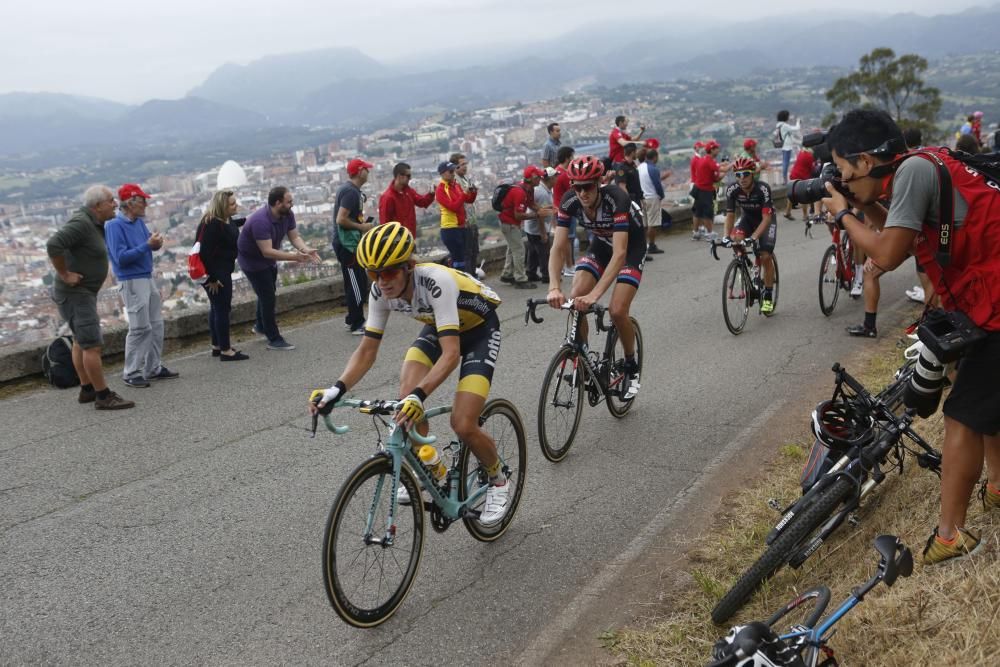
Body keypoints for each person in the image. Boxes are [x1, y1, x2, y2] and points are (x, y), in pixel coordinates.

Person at [820, 108, 1000, 565]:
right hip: (987, 298)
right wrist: (860, 206)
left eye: (843, 171)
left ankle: (949, 538)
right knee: (984, 403)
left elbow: (888, 252)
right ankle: (997, 487)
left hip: (996, 301)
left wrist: (842, 213)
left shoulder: (916, 171)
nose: (843, 180)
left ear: (864, 161)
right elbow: (896, 230)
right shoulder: (919, 166)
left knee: (964, 415)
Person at [309, 222, 512, 524]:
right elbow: (366, 351)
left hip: (479, 332)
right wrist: (336, 390)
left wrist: (421, 395)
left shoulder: (436, 281)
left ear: (409, 266)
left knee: (463, 423)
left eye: (389, 271)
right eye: (373, 273)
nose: (382, 281)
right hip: (440, 326)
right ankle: (434, 468)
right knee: (405, 404)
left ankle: (498, 478)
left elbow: (451, 354)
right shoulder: (380, 291)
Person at [547, 155, 645, 399]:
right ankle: (585, 360)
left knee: (617, 310)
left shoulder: (616, 199)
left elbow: (620, 253)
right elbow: (558, 247)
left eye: (588, 186)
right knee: (575, 297)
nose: (582, 193)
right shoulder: (570, 201)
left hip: (630, 248)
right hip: (600, 245)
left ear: (599, 182)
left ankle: (631, 365)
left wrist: (595, 295)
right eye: (577, 187)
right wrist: (553, 286)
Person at [46, 186, 135, 409]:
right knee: (92, 346)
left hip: (80, 293)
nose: (114, 204)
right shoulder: (82, 224)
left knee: (79, 341)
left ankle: (87, 389)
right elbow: (53, 244)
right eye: (110, 201)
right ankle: (103, 395)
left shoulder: (94, 223)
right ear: (97, 206)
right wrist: (65, 274)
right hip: (76, 294)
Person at [104, 183, 178, 387]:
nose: (146, 204)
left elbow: (145, 246)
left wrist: (155, 244)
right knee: (139, 328)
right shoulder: (114, 225)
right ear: (130, 203)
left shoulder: (137, 222)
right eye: (142, 201)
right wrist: (148, 245)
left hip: (146, 276)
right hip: (131, 280)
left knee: (156, 325)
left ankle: (152, 367)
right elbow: (120, 258)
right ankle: (131, 372)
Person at [239, 186, 319, 350]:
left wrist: (305, 250)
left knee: (267, 293)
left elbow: (294, 236)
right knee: (268, 297)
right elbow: (267, 251)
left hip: (269, 260)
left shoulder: (286, 214)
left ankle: (261, 326)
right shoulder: (260, 221)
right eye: (289, 202)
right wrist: (295, 257)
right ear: (277, 203)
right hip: (253, 262)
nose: (292, 205)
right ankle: (274, 338)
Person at [722, 157, 777, 315]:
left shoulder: (763, 189)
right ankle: (746, 264)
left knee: (765, 255)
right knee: (736, 240)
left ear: (752, 174)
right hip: (747, 219)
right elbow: (730, 215)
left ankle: (767, 294)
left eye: (745, 174)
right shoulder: (733, 190)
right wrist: (726, 236)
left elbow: (766, 218)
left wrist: (753, 237)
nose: (741, 178)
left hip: (766, 221)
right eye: (737, 175)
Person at [197, 190, 248, 361]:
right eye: (232, 204)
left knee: (216, 308)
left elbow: (231, 226)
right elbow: (203, 253)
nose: (236, 206)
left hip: (222, 270)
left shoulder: (224, 219)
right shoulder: (211, 224)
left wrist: (250, 221)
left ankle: (217, 345)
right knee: (222, 310)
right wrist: (211, 278)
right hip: (216, 274)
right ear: (222, 206)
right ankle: (226, 350)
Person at [333, 159, 376, 335]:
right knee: (356, 283)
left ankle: (352, 318)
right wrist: (362, 227)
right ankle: (357, 323)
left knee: (354, 281)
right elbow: (341, 219)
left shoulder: (349, 189)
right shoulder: (350, 192)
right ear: (359, 171)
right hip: (347, 245)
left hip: (347, 243)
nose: (369, 171)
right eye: (366, 169)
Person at [499, 166, 547, 289]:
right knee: (519, 250)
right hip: (509, 223)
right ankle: (520, 279)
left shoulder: (528, 189)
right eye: (538, 177)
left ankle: (507, 274)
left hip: (509, 222)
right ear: (532, 178)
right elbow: (518, 215)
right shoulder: (520, 192)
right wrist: (536, 215)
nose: (540, 179)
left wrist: (541, 209)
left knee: (512, 249)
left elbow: (530, 203)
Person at [435, 160, 476, 272]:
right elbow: (454, 207)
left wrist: (473, 192)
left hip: (461, 227)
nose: (453, 173)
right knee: (459, 260)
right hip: (450, 229)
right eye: (450, 171)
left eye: (454, 170)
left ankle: (459, 277)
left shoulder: (455, 185)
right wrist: (464, 194)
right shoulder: (441, 190)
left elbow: (468, 200)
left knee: (463, 256)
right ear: (443, 174)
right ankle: (459, 282)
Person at [378, 162, 434, 237]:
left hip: (409, 237)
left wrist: (431, 194)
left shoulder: (408, 191)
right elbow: (385, 223)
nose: (410, 178)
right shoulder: (388, 197)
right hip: (396, 241)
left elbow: (422, 202)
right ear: (399, 176)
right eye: (408, 176)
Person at [692, 141, 729, 241]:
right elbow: (722, 170)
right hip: (705, 190)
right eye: (716, 148)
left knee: (697, 211)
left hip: (698, 188)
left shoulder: (703, 159)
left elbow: (715, 178)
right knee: (707, 213)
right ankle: (709, 233)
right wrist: (732, 165)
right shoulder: (709, 161)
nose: (718, 150)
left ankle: (696, 232)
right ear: (712, 150)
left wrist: (724, 169)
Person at [452, 153, 482, 276]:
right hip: (464, 223)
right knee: (467, 253)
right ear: (455, 166)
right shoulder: (454, 181)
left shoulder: (465, 179)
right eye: (462, 164)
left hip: (472, 220)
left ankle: (473, 275)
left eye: (466, 164)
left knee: (474, 251)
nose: (465, 167)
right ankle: (469, 279)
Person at [525, 167, 555, 283]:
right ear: (551, 179)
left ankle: (531, 273)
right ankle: (546, 275)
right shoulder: (542, 193)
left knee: (533, 251)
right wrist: (543, 233)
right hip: (537, 228)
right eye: (556, 176)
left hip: (530, 228)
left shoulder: (542, 189)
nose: (557, 178)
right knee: (544, 252)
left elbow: (540, 209)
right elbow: (540, 214)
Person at [552, 146, 577, 277]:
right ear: (568, 157)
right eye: (572, 156)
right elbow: (573, 191)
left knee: (563, 239)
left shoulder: (557, 171)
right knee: (568, 239)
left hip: (559, 208)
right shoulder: (564, 174)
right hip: (566, 209)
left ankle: (565, 266)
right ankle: (569, 266)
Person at [638, 148, 667, 256]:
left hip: (642, 198)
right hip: (652, 197)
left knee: (644, 224)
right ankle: (652, 245)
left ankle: (643, 246)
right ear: (655, 157)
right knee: (652, 224)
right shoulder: (653, 169)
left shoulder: (639, 167)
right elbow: (657, 184)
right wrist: (662, 195)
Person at [784, 147, 815, 221]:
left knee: (792, 194)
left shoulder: (801, 153)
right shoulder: (810, 157)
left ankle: (787, 212)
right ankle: (805, 216)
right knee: (804, 195)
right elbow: (812, 169)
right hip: (802, 177)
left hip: (793, 174)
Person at [775, 110, 802, 183]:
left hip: (784, 145)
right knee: (786, 163)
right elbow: (796, 128)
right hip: (787, 146)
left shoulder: (779, 125)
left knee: (785, 162)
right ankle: (785, 180)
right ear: (785, 117)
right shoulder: (784, 125)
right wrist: (798, 122)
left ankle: (784, 179)